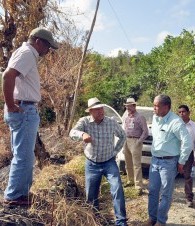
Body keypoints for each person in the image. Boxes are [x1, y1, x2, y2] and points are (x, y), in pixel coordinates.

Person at [2, 27, 59, 206]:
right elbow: (7, 75)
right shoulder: (27, 53)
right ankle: (14, 196)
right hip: (23, 109)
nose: (48, 50)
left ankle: (20, 194)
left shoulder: (26, 53)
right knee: (24, 156)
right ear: (38, 42)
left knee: (25, 155)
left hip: (24, 109)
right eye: (48, 46)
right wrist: (11, 105)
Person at [69, 97, 127, 226]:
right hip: (92, 164)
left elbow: (123, 136)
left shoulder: (111, 122)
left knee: (117, 188)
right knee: (91, 194)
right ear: (90, 111)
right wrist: (82, 135)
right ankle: (95, 219)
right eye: (96, 109)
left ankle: (121, 221)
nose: (100, 111)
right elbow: (72, 132)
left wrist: (115, 152)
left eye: (101, 108)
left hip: (109, 162)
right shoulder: (84, 122)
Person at [144, 94, 192, 226]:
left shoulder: (176, 122)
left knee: (165, 193)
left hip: (169, 162)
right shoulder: (155, 118)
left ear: (166, 107)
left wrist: (182, 161)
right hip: (155, 161)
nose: (154, 108)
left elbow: (187, 142)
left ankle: (160, 221)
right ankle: (152, 218)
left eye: (156, 106)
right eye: (153, 105)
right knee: (153, 191)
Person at [123, 97, 148, 194]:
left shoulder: (140, 117)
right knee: (127, 162)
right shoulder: (127, 117)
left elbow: (145, 132)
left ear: (134, 106)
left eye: (129, 106)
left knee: (136, 164)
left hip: (135, 141)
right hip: (127, 140)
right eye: (126, 106)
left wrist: (139, 141)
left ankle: (138, 186)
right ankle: (130, 180)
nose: (128, 108)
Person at [177, 104, 195, 208]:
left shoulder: (194, 126)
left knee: (188, 177)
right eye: (180, 112)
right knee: (169, 175)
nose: (181, 114)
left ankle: (189, 198)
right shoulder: (176, 124)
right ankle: (165, 196)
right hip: (175, 153)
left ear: (188, 113)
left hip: (188, 154)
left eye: (183, 112)